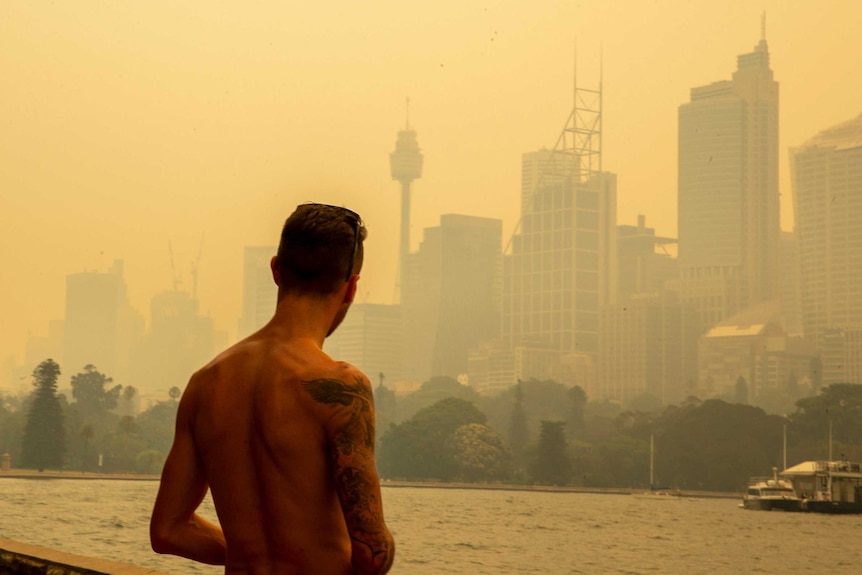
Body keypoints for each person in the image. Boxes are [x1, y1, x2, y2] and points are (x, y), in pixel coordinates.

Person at [150, 203, 395, 575]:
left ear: (276, 270)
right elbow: (370, 551)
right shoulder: (343, 387)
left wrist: (250, 553)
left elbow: (169, 531)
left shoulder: (205, 383)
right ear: (351, 288)